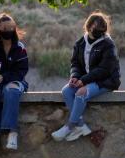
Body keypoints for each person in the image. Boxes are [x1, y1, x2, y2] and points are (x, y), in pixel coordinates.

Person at [52, 12, 121, 142]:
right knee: (66, 90)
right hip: (86, 80)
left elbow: (104, 70)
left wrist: (83, 81)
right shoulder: (80, 43)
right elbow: (75, 63)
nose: (98, 31)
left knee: (80, 93)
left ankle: (69, 126)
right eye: (95, 28)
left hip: (106, 81)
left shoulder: (108, 44)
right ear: (88, 27)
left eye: (101, 29)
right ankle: (81, 126)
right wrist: (75, 76)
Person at [0, 13, 29, 151]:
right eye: (4, 28)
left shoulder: (20, 47)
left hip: (15, 79)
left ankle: (12, 132)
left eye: (11, 28)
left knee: (12, 90)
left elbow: (22, 71)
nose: (8, 31)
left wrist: (5, 78)